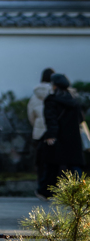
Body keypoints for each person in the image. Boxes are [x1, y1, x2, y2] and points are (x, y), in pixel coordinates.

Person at [43, 73, 85, 194]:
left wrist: (51, 135)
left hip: (59, 135)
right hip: (74, 137)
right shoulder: (74, 100)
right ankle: (79, 191)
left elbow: (51, 119)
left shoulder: (51, 100)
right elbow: (81, 119)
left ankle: (48, 191)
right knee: (75, 165)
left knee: (53, 165)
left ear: (55, 86)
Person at [27, 68, 54, 199]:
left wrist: (37, 125)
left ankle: (42, 188)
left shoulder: (35, 95)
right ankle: (55, 188)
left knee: (41, 162)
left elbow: (30, 115)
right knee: (56, 162)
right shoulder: (57, 93)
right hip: (55, 132)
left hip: (39, 132)